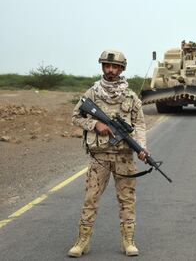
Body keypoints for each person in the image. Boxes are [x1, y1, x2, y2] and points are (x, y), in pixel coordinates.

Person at [68, 50, 148, 257]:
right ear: (102, 67)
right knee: (90, 198)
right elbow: (76, 117)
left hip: (124, 157)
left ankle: (128, 241)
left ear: (122, 69)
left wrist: (141, 147)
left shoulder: (130, 96)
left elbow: (139, 124)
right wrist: (95, 124)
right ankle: (82, 242)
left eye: (114, 67)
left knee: (127, 199)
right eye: (107, 66)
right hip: (99, 158)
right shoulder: (92, 94)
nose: (110, 70)